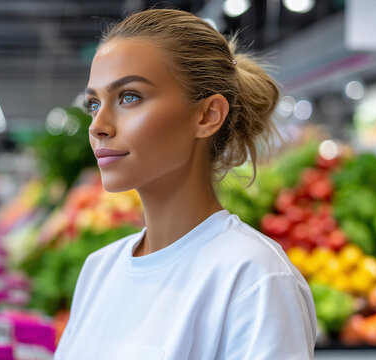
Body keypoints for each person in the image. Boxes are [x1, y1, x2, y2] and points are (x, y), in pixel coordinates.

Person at [55, 9, 316, 360]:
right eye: (93, 103)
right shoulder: (99, 269)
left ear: (207, 115)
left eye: (129, 97)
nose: (97, 125)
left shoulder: (254, 277)